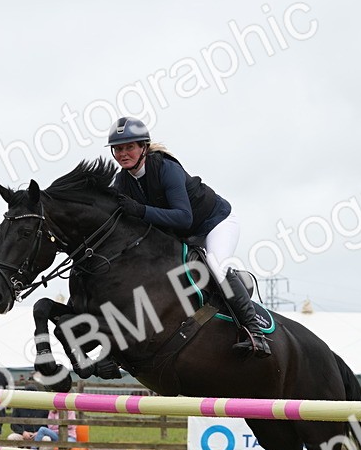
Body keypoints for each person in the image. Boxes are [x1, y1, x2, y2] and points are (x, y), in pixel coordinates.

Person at [106, 116, 269, 357]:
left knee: (217, 266)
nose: (123, 153)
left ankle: (256, 332)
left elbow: (184, 218)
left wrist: (140, 211)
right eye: (118, 149)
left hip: (214, 223)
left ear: (144, 148)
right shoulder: (122, 181)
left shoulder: (166, 168)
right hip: (184, 236)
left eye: (129, 147)